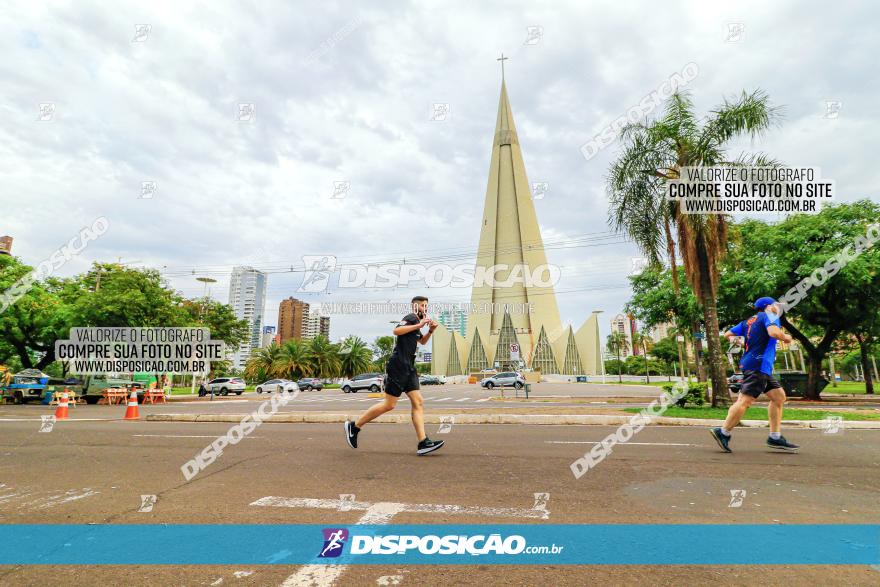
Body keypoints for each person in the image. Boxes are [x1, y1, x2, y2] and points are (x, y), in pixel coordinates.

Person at [345, 296, 445, 455]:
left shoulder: (416, 325)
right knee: (389, 405)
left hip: (409, 367)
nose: (426, 308)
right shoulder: (411, 318)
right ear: (415, 307)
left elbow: (422, 342)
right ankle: (355, 426)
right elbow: (396, 330)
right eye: (423, 306)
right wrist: (419, 324)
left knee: (418, 402)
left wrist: (431, 331)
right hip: (398, 365)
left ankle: (423, 442)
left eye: (427, 306)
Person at [710, 296, 799, 453]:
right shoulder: (769, 315)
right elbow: (773, 333)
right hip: (759, 364)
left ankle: (775, 436)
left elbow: (727, 334)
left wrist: (741, 342)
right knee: (745, 400)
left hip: (754, 364)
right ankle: (723, 432)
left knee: (779, 397)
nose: (778, 308)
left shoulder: (748, 321)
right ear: (768, 306)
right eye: (775, 305)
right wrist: (786, 338)